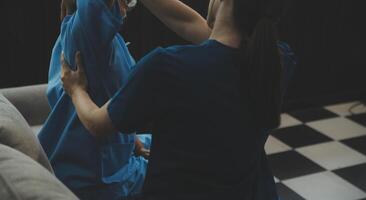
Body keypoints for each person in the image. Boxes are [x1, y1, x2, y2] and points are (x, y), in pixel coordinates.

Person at [61, 0, 297, 199]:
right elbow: (194, 27)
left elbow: (96, 123)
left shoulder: (167, 67)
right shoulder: (277, 62)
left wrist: (76, 90)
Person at [38, 0, 151, 199]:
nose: (125, 8)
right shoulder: (89, 34)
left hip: (109, 159)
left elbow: (108, 97)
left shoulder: (85, 34)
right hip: (101, 180)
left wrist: (130, 140)